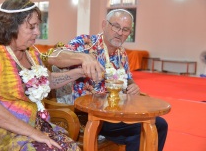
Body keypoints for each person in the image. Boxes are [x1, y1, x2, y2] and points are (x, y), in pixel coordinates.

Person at [0, 0, 82, 151]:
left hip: (34, 124)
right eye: (32, 27)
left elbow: (48, 81)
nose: (38, 33)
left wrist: (80, 72)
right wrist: (34, 133)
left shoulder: (31, 52)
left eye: (37, 26)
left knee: (70, 147)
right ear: (11, 26)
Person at [46, 9, 168, 151]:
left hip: (118, 109)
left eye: (125, 29)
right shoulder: (86, 43)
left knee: (160, 125)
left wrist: (133, 85)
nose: (120, 33)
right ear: (104, 24)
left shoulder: (121, 52)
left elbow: (128, 79)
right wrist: (83, 57)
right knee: (140, 129)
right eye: (116, 26)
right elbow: (53, 57)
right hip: (90, 113)